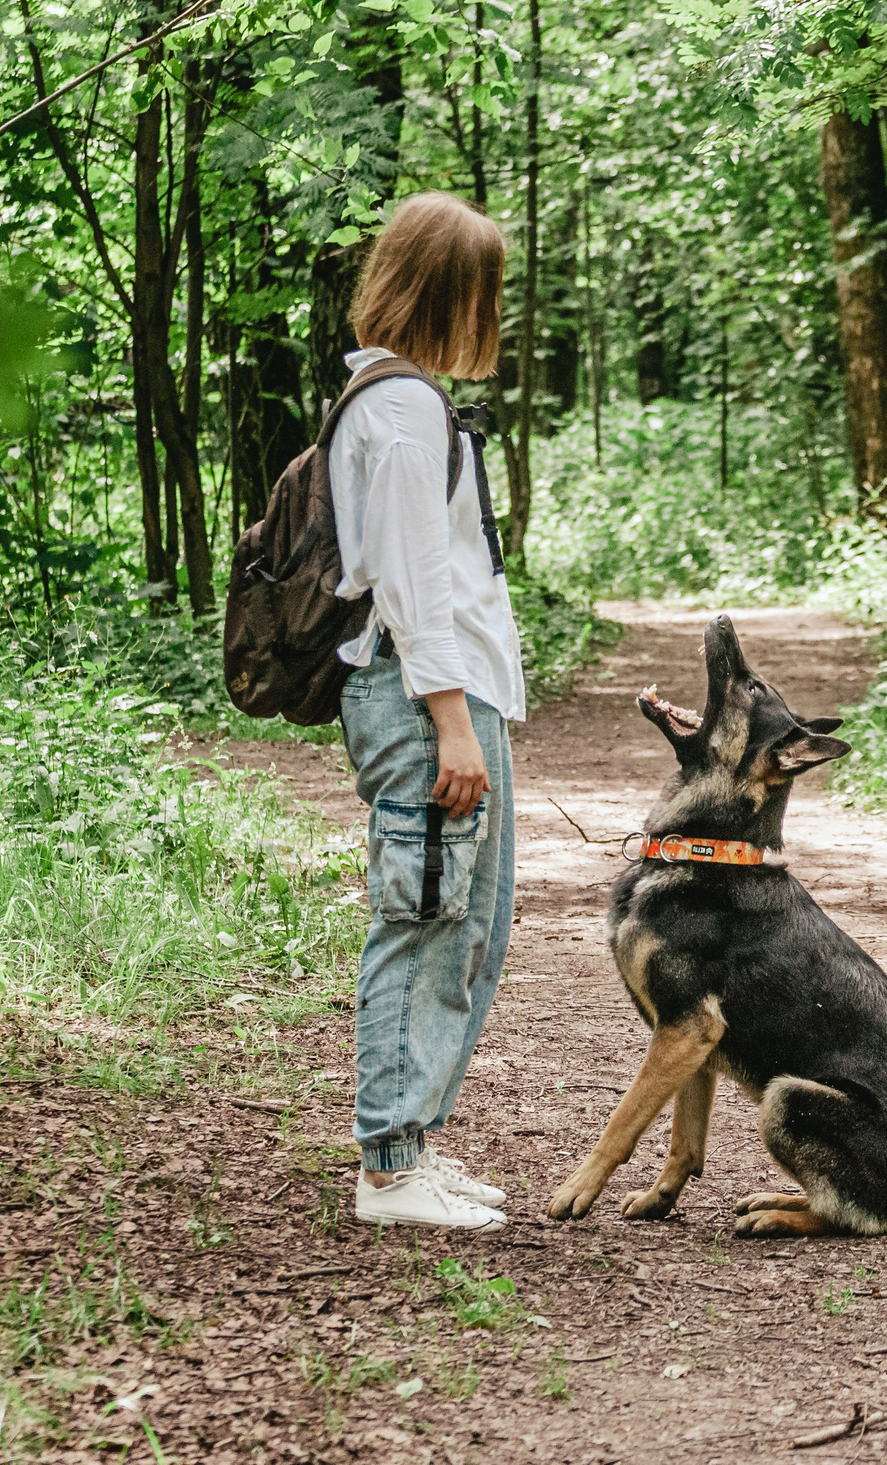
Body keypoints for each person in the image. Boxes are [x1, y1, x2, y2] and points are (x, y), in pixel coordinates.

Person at [330, 192, 527, 1230]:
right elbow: (410, 581)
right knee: (423, 916)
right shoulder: (401, 410)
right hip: (424, 701)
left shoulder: (397, 400)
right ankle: (389, 1169)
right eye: (484, 291)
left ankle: (411, 1148)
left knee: (466, 925)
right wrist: (452, 721)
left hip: (450, 695)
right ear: (448, 292)